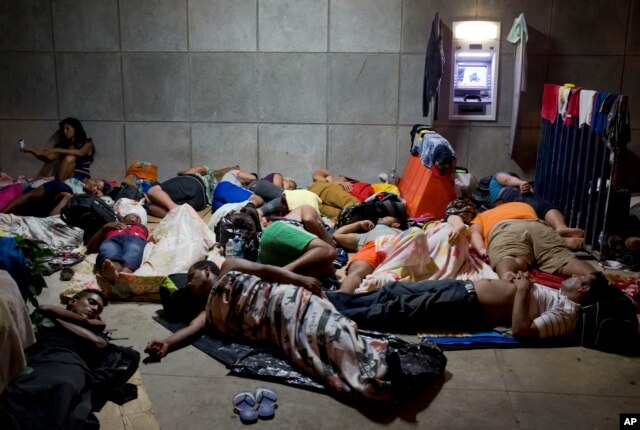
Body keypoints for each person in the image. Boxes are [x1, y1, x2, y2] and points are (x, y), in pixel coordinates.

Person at [146, 259, 446, 403]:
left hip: (288, 303)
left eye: (191, 276)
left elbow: (265, 271)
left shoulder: (230, 267)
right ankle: (379, 377)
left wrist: (298, 279)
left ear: (207, 270)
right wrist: (167, 343)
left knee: (332, 333)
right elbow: (189, 332)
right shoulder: (206, 313)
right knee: (313, 356)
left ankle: (380, 369)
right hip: (278, 332)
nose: (190, 282)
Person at [327, 270, 611, 340]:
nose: (572, 276)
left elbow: (522, 331)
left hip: (467, 305)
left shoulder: (567, 314)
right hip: (462, 286)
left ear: (584, 288)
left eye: (578, 277)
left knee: (397, 308)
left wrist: (523, 290)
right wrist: (512, 279)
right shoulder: (557, 295)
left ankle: (331, 314)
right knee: (392, 289)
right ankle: (330, 299)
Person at [0, 290, 114, 429]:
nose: (95, 308)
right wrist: (85, 321)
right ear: (72, 301)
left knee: (61, 389)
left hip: (69, 364)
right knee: (17, 397)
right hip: (39, 361)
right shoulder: (47, 316)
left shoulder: (93, 330)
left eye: (99, 309)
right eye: (91, 302)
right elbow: (43, 308)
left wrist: (82, 322)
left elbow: (99, 343)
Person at [469, 201, 597, 279]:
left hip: (505, 228)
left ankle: (510, 283)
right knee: (564, 261)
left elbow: (475, 233)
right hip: (537, 225)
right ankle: (597, 279)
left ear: (493, 207)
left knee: (511, 259)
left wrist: (481, 249)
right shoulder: (524, 205)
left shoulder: (483, 215)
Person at [489, 172, 584, 248]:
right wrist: (521, 183)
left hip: (507, 214)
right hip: (509, 195)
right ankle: (561, 227)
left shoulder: (490, 203)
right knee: (543, 208)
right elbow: (508, 179)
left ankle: (564, 241)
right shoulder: (496, 178)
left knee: (536, 226)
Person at [258, 205, 336, 278]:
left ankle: (285, 272)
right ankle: (286, 270)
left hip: (268, 255)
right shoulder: (304, 209)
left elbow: (329, 266)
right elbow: (308, 219)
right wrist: (319, 226)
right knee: (328, 251)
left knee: (328, 267)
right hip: (275, 233)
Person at [20, 117, 95, 180]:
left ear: (75, 128)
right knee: (69, 158)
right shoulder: (63, 146)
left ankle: (58, 185)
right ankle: (58, 185)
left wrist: (57, 149)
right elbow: (48, 158)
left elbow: (80, 153)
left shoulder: (87, 142)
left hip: (81, 178)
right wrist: (31, 150)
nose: (65, 131)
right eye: (63, 129)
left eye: (67, 129)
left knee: (70, 158)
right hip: (65, 178)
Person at [86, 213, 149, 282]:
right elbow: (90, 248)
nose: (137, 216)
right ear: (122, 219)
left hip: (135, 238)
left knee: (134, 250)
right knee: (109, 249)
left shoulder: (143, 228)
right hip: (112, 239)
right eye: (132, 214)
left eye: (140, 218)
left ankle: (125, 273)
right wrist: (104, 228)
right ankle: (113, 269)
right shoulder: (111, 226)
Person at [1, 177, 109, 217]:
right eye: (94, 181)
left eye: (97, 187)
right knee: (64, 189)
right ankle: (3, 214)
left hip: (51, 205)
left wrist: (99, 196)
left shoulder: (88, 198)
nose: (93, 184)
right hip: (46, 190)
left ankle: (45, 225)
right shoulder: (77, 180)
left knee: (68, 195)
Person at [144, 166, 213, 218]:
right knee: (175, 212)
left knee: (152, 190)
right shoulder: (213, 180)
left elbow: (200, 168)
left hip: (194, 182)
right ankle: (149, 204)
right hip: (202, 203)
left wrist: (184, 176)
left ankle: (171, 206)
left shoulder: (207, 173)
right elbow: (201, 168)